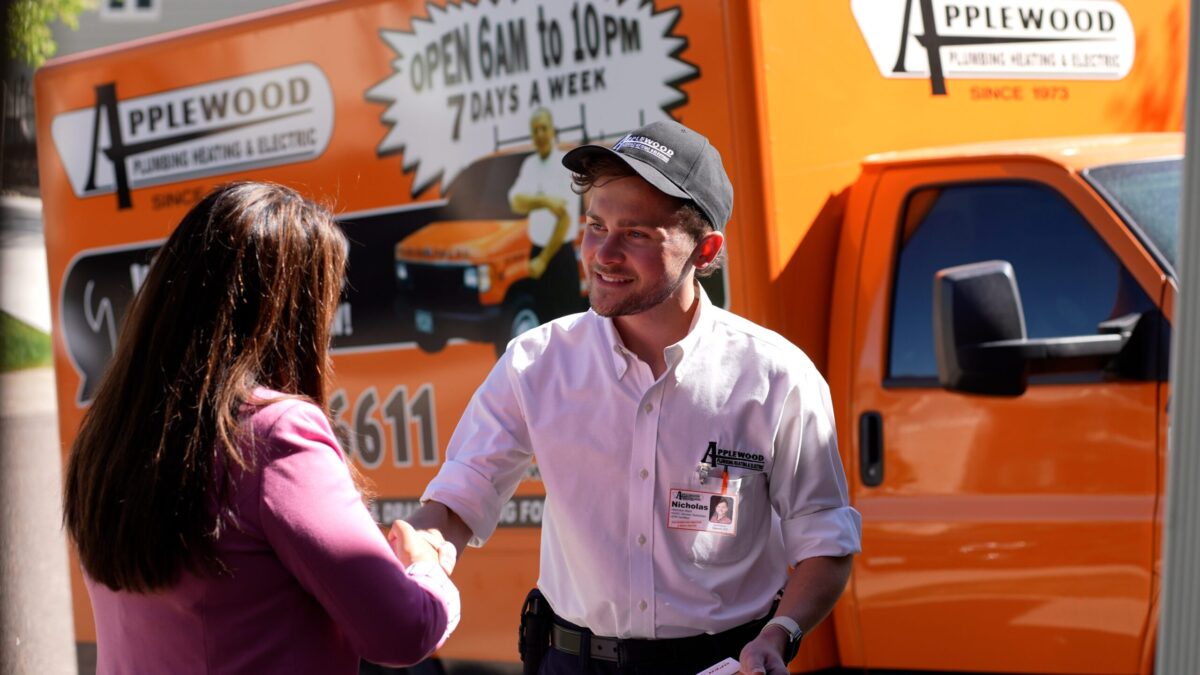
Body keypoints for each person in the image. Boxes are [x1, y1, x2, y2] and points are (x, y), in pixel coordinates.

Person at [404, 120, 861, 674]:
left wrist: (780, 634)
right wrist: (426, 551)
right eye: (595, 225)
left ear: (706, 249)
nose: (604, 253)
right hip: (571, 662)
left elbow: (825, 542)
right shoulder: (537, 362)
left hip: (722, 662)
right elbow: (459, 498)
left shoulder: (776, 376)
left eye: (637, 234)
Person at [62, 182, 460, 674]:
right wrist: (430, 570)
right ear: (290, 314)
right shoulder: (275, 433)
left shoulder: (111, 431)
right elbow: (402, 630)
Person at [508, 107, 584, 319]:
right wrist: (545, 201)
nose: (540, 134)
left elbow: (565, 218)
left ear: (552, 130)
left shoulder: (565, 165)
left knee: (568, 321)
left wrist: (543, 259)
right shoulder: (530, 165)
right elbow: (515, 202)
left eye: (543, 128)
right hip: (537, 252)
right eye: (535, 130)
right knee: (543, 321)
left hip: (558, 256)